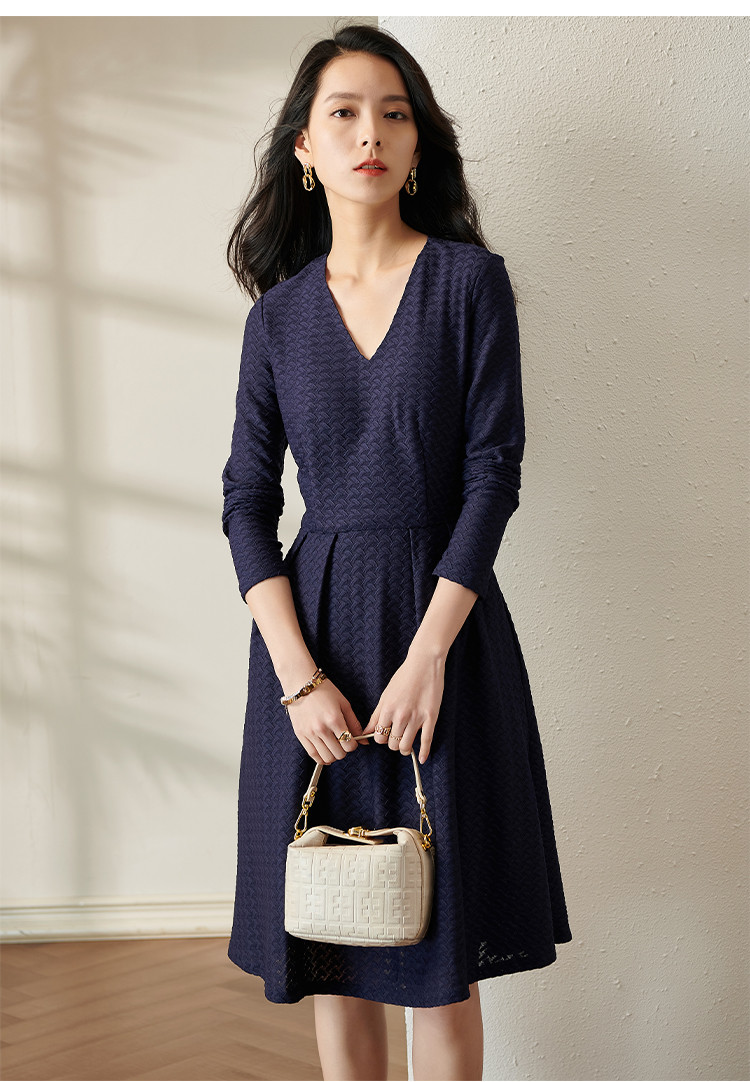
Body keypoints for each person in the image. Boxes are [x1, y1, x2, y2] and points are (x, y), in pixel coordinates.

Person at [221, 21, 573, 1082]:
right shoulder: (278, 320)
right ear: (305, 146)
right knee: (332, 938)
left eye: (393, 113)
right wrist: (299, 681)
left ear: (418, 144)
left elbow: (493, 475)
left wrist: (428, 658)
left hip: (444, 638)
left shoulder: (468, 285)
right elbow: (246, 503)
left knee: (441, 953)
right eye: (344, 113)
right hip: (313, 644)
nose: (370, 133)